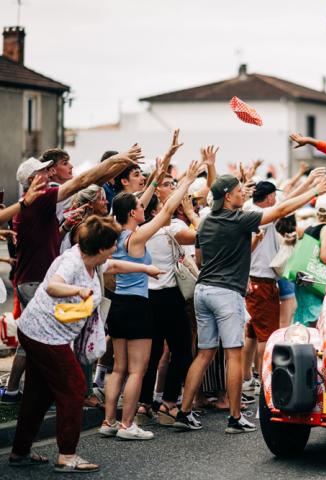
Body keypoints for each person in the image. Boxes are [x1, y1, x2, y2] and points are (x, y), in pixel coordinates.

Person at [173, 172, 326, 433]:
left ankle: (183, 412)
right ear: (228, 197)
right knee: (234, 355)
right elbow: (281, 208)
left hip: (203, 290)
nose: (243, 193)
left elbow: (201, 260)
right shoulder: (240, 219)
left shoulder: (204, 221)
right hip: (226, 293)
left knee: (204, 354)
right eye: (239, 190)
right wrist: (313, 190)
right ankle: (235, 418)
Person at [8, 216, 162, 473]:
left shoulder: (95, 261)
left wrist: (145, 269)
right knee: (75, 387)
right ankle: (67, 456)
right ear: (100, 247)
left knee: (38, 393)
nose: (116, 248)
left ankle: (19, 452)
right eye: (113, 244)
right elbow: (54, 286)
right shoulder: (72, 261)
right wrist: (76, 291)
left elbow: (113, 265)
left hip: (42, 333)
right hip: (44, 336)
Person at [0, 147, 142, 405]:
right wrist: (114, 161)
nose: (49, 173)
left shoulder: (36, 202)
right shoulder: (41, 198)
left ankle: (18, 392)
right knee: (50, 337)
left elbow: (44, 234)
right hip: (36, 280)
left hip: (32, 278)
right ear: (33, 178)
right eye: (44, 171)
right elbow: (83, 182)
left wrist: (64, 225)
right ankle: (52, 393)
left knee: (33, 338)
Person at [101, 160, 201, 440]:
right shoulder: (136, 237)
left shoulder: (114, 230)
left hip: (118, 305)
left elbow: (137, 203)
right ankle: (127, 425)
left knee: (118, 368)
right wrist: (187, 181)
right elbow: (167, 210)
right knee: (137, 369)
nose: (145, 209)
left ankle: (109, 421)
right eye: (141, 208)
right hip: (136, 306)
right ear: (133, 213)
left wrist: (156, 177)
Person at [136, 192, 199, 426]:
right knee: (181, 351)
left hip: (145, 296)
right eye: (162, 205)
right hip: (170, 297)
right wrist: (191, 214)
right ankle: (169, 403)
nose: (166, 208)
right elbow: (200, 235)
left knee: (150, 354)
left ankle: (143, 403)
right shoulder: (170, 231)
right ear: (155, 212)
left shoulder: (137, 234)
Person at [242, 181, 281, 392]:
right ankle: (264, 380)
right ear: (269, 197)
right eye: (275, 196)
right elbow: (286, 208)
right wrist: (311, 186)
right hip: (262, 282)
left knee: (252, 334)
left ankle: (247, 378)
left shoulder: (249, 210)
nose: (276, 200)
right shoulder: (259, 215)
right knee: (266, 336)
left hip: (253, 279)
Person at [292, 194, 326, 327]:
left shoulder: (308, 228)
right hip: (317, 283)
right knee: (317, 323)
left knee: (304, 322)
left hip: (305, 280)